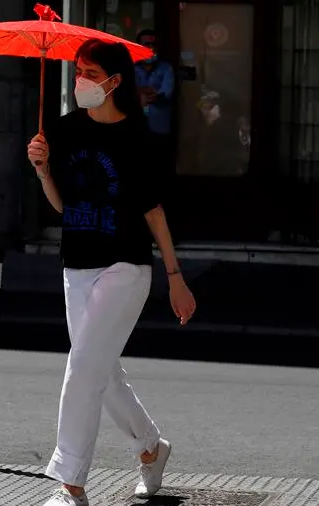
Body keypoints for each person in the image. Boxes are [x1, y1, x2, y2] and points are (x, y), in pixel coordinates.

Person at [27, 39, 197, 506]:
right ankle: (151, 447)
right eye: (77, 69)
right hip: (76, 267)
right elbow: (64, 206)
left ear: (114, 81)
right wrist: (43, 170)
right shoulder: (61, 131)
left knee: (82, 369)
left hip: (125, 266)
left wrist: (175, 278)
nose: (80, 79)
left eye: (89, 71)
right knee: (102, 372)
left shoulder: (138, 138)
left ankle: (71, 485)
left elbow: (153, 211)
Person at [134, 29, 177, 202]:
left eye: (153, 44)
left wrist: (150, 96)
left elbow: (167, 92)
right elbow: (127, 92)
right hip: (136, 128)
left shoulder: (166, 68)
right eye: (146, 44)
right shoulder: (132, 68)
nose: (150, 48)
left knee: (159, 170)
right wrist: (140, 94)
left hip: (159, 128)